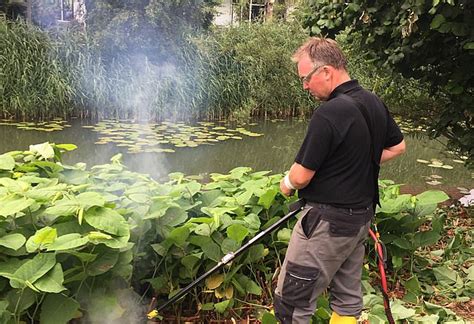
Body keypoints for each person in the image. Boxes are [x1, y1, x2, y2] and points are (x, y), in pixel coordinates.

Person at [273, 37, 406, 324]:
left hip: (326, 223)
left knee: (292, 304)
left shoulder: (330, 113)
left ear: (326, 72)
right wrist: (358, 161)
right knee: (347, 301)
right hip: (360, 220)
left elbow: (300, 175)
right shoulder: (372, 102)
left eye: (306, 79)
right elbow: (397, 146)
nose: (305, 86)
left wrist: (285, 185)